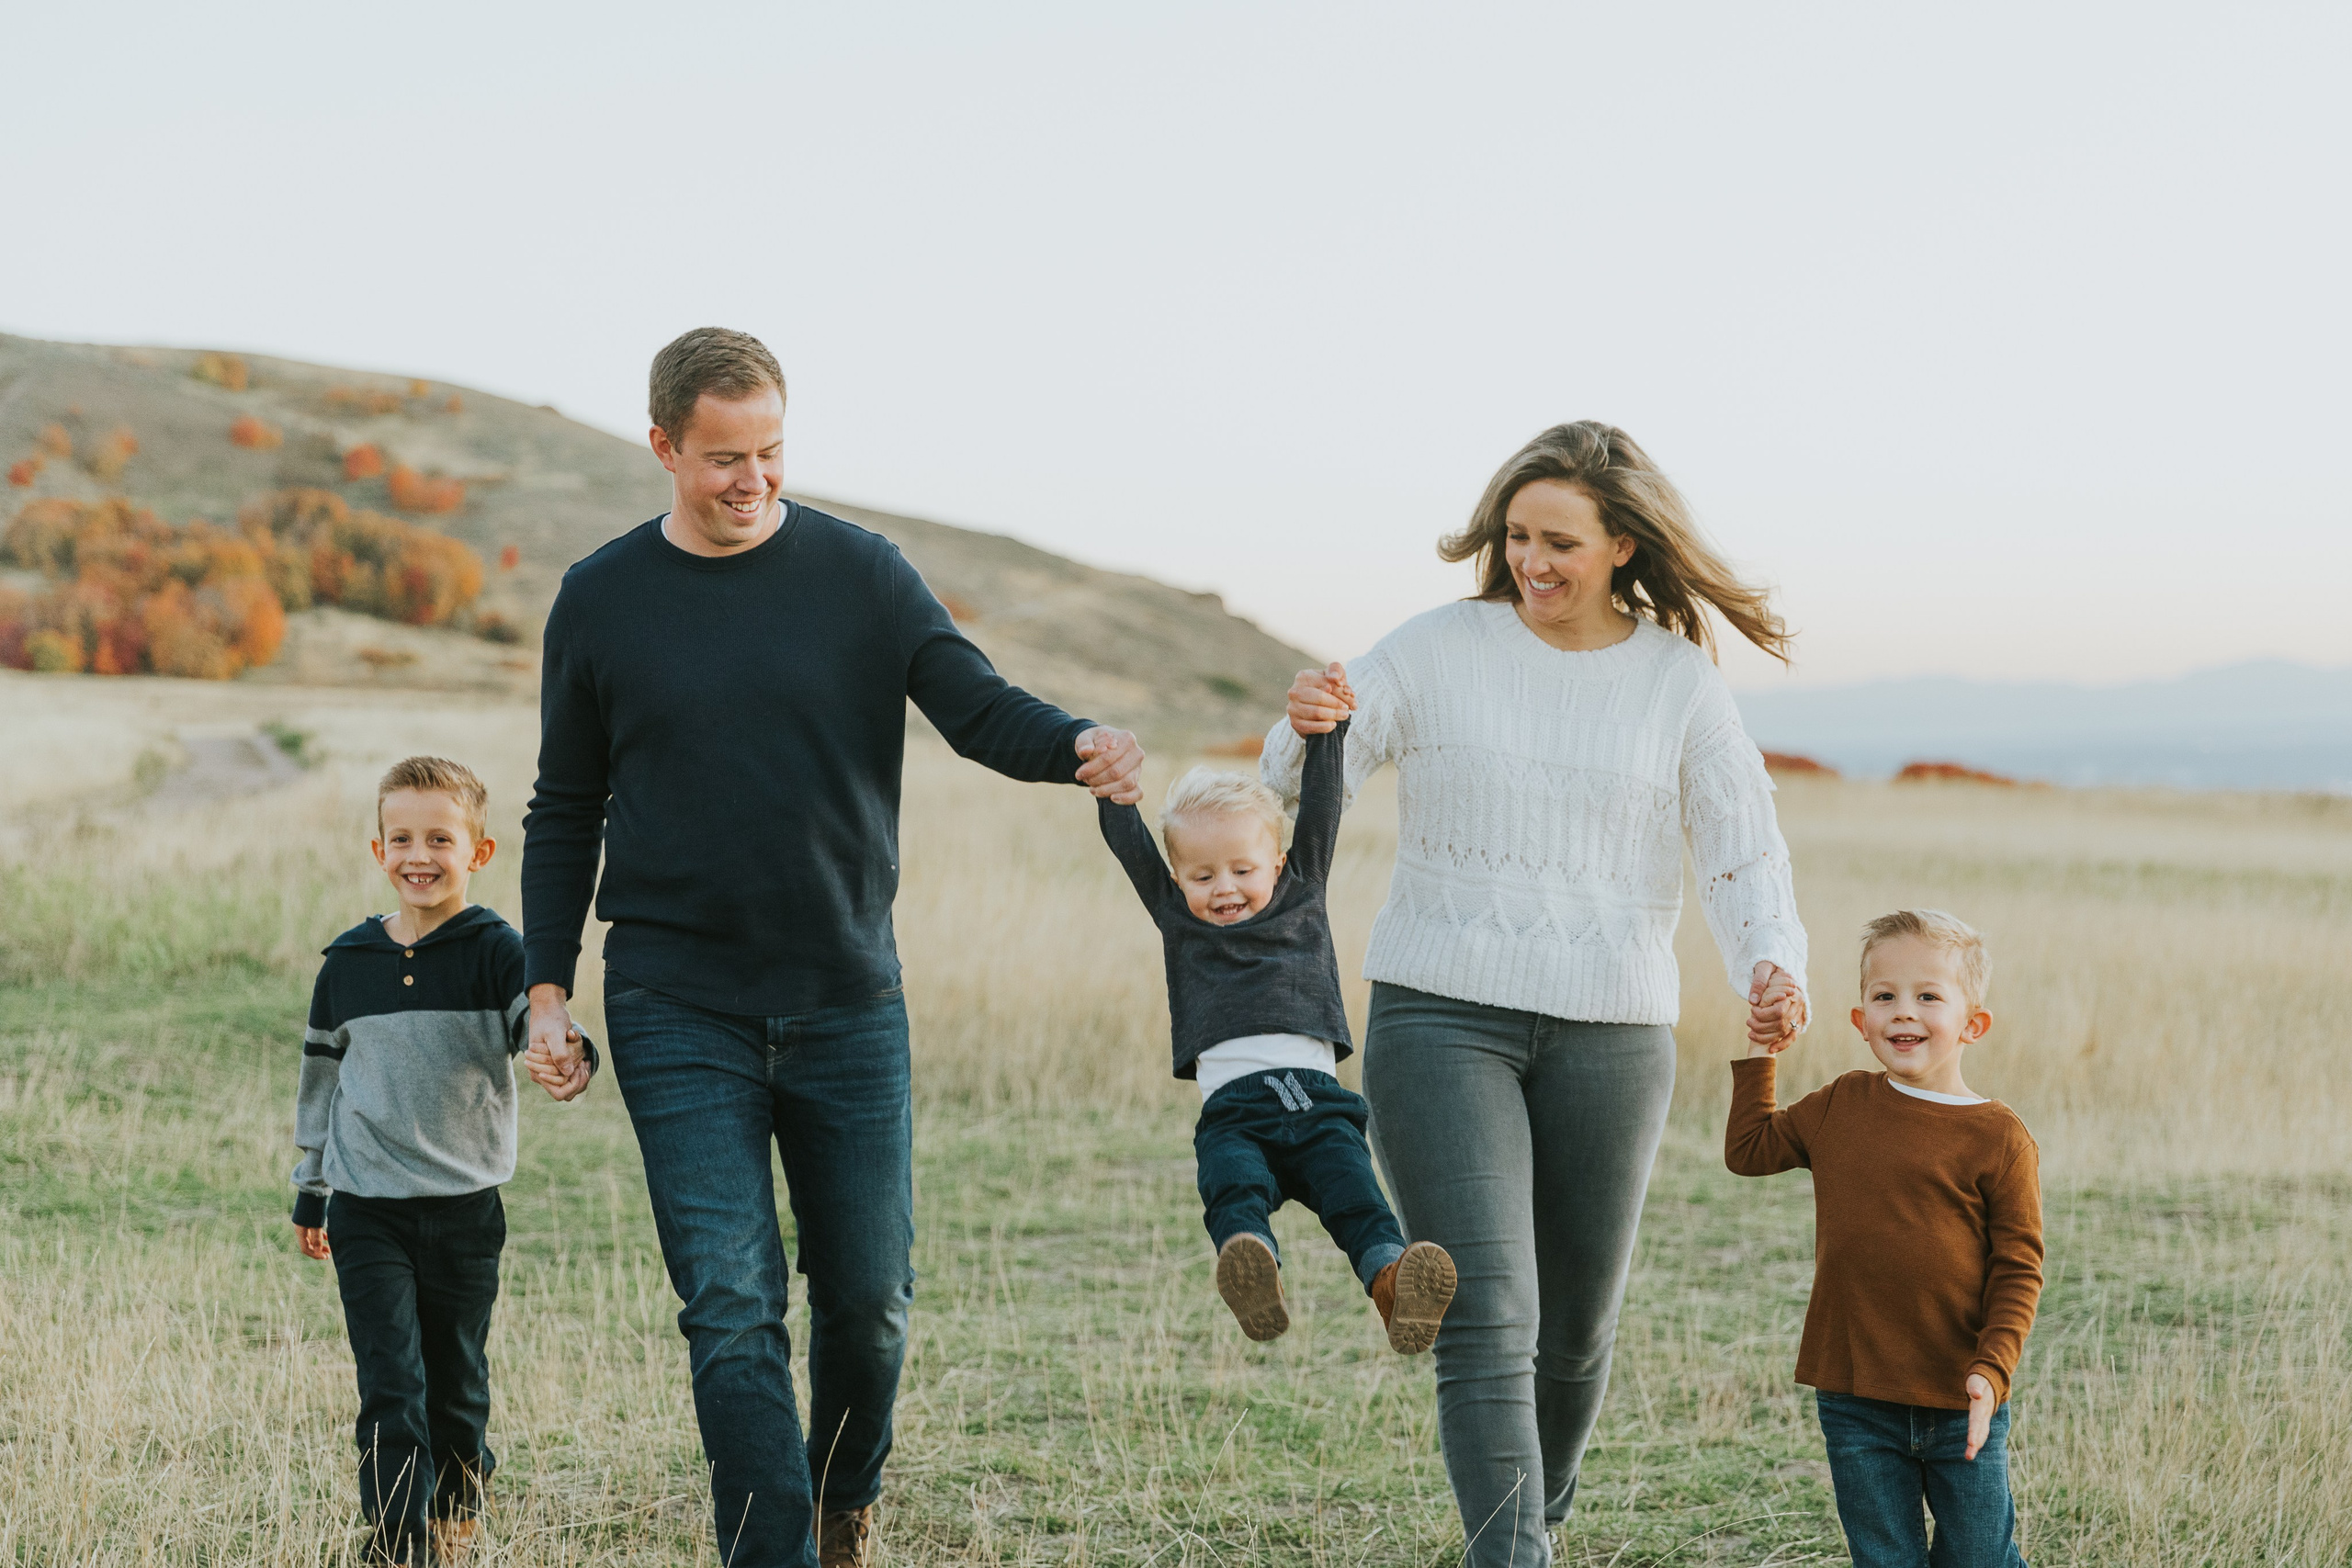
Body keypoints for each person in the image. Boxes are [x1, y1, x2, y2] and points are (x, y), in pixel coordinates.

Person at [518, 328, 1143, 1568]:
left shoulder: (862, 573)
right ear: (661, 448)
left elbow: (976, 705)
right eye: (720, 458)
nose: (751, 480)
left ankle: (842, 1487)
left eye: (770, 452)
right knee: (733, 1304)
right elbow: (564, 802)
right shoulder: (600, 596)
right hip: (672, 996)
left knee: (870, 1301)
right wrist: (547, 984)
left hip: (846, 994)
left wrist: (1078, 741)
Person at [1267, 421, 1809, 1565]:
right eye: (1516, 536)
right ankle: (1511, 1554)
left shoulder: (1674, 680)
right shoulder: (1438, 647)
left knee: (1573, 1333)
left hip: (1612, 1030)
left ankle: (1535, 1524)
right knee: (1483, 1315)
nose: (1532, 561)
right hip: (1438, 1013)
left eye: (1559, 540)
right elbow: (1305, 774)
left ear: (1623, 544)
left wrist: (1771, 961)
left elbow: (1741, 843)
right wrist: (1305, 729)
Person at [291, 756, 595, 1568]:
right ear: (377, 849)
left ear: (479, 852)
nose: (418, 854)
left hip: (464, 1208)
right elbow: (320, 1081)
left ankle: (460, 1499)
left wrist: (568, 1051)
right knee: (391, 1382)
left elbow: (542, 1024)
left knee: (455, 1378)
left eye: (439, 837)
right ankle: (399, 1543)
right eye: (401, 837)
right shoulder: (347, 964)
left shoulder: (499, 952)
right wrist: (311, 1189)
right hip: (367, 1208)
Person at [1097, 722, 1458, 1351]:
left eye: (1241, 868)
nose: (1225, 887)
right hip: (1235, 1112)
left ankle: (1394, 1284)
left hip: (1318, 1105)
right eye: (1203, 875)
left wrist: (1328, 733)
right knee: (1232, 1187)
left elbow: (1321, 806)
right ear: (1178, 880)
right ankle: (1253, 1267)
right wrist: (1111, 793)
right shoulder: (1182, 923)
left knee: (1358, 1200)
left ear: (1279, 864)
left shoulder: (1303, 895)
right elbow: (1132, 848)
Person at [1726, 910, 2043, 1568]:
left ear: (1971, 1023)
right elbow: (1749, 1149)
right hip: (1855, 1397)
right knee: (1885, 1557)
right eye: (1884, 995)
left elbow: (2018, 1269)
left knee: (1980, 1556)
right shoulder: (1842, 1103)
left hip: (1962, 1395)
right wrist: (1765, 1051)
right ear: (1859, 1018)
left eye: (1928, 995)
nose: (1904, 1011)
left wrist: (1992, 1370)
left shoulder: (1998, 1136)